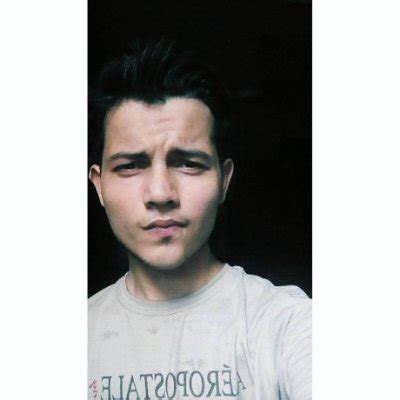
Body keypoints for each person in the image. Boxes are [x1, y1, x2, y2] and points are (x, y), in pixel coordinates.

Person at [88, 40, 311, 400]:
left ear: (224, 180)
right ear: (99, 186)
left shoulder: (286, 323)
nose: (160, 193)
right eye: (130, 166)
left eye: (188, 163)